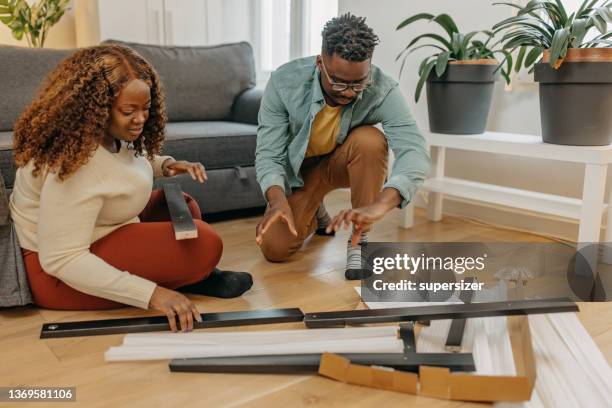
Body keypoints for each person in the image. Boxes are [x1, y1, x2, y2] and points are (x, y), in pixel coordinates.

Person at [9, 44, 252, 332]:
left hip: (98, 228)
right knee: (205, 244)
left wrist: (166, 165)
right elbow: (62, 259)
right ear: (96, 108)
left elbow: (121, 162)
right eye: (129, 111)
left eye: (146, 108)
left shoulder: (100, 132)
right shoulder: (74, 164)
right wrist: (153, 295)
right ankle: (193, 276)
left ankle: (191, 274)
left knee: (181, 205)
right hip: (53, 274)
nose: (140, 119)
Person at [254, 13, 431, 279]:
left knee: (370, 140)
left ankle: (360, 242)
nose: (348, 92)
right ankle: (318, 213)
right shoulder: (285, 82)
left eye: (357, 83)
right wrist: (277, 200)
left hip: (343, 161)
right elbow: (269, 153)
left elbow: (414, 150)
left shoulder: (382, 89)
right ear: (319, 63)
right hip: (300, 174)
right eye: (338, 81)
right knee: (275, 248)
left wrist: (380, 205)